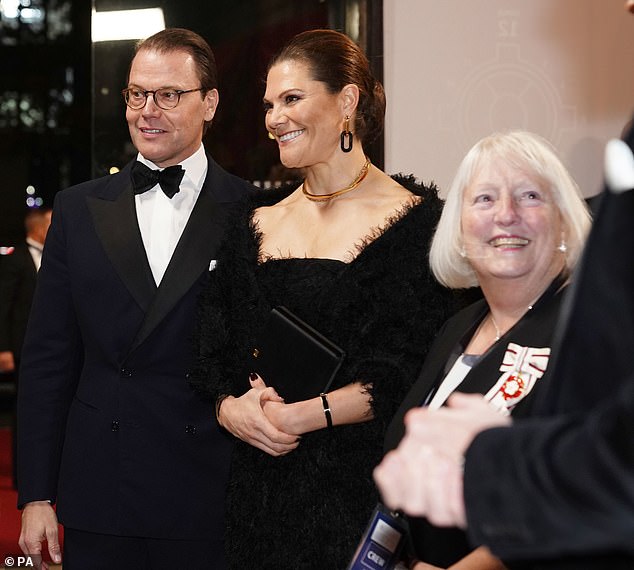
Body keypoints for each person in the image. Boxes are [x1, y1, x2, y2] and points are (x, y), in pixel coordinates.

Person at [187, 29, 455, 569]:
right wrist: (230, 409)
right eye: (268, 104)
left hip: (359, 498)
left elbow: (412, 373)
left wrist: (304, 417)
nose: (273, 118)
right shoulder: (251, 223)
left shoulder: (422, 223)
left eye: (291, 99)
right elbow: (210, 350)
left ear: (347, 101)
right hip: (257, 496)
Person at [17, 28, 253, 570]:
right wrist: (35, 494)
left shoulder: (252, 211)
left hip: (209, 488)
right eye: (135, 94)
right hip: (99, 492)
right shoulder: (77, 209)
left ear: (209, 103)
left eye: (168, 94)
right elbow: (48, 361)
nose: (147, 111)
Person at [374, 131, 634, 570]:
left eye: (530, 196)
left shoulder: (585, 331)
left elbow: (588, 487)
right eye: (485, 199)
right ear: (459, 226)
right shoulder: (460, 324)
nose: (506, 216)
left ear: (565, 221)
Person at [0, 207, 52, 488]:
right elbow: (3, 305)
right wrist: (4, 349)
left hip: (52, 348)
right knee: (26, 409)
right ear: (38, 229)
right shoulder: (16, 259)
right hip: (22, 348)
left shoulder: (59, 256)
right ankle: (25, 475)